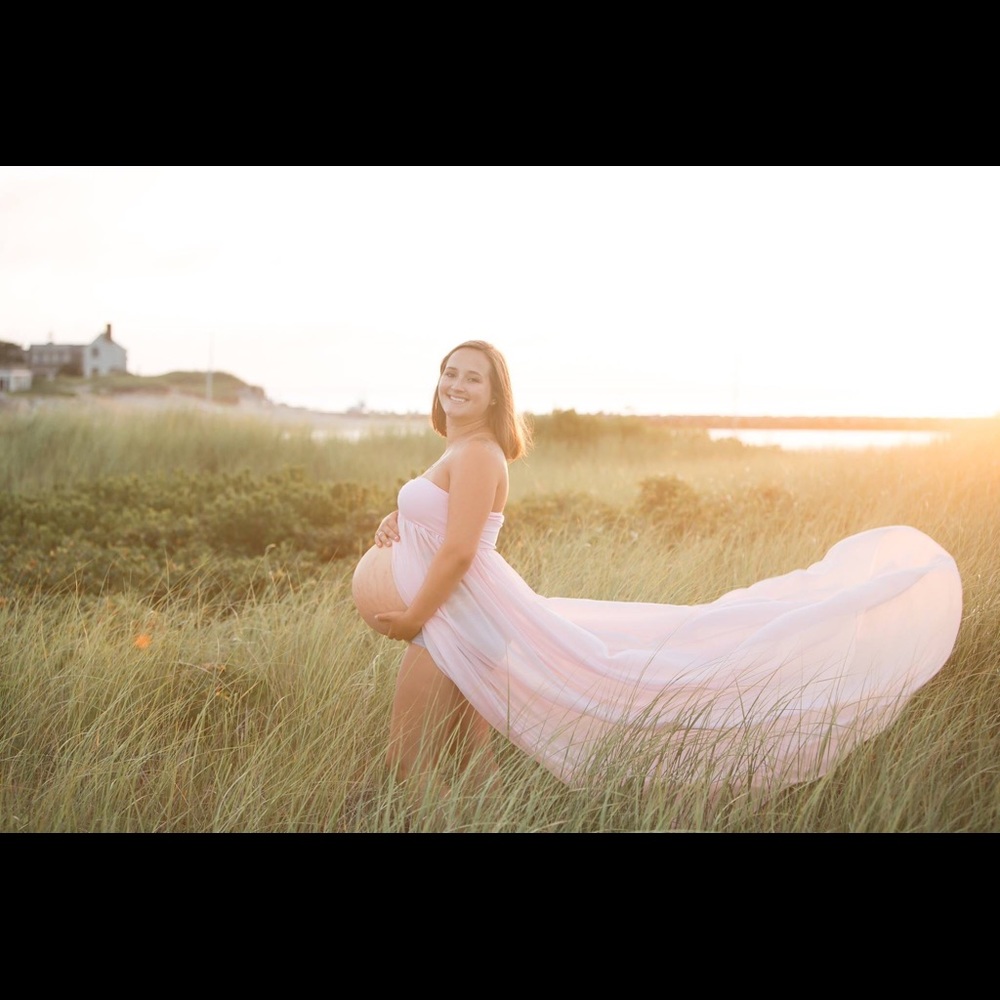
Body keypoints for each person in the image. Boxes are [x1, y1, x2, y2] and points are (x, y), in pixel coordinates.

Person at [354, 340, 963, 804]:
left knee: (409, 764)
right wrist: (399, 519)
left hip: (454, 623)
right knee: (470, 767)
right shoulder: (460, 451)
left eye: (473, 378)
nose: (456, 384)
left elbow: (460, 553)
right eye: (450, 372)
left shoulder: (481, 452)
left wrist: (413, 615)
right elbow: (448, 525)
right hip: (469, 622)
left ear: (495, 396)